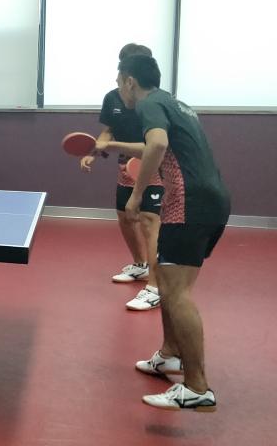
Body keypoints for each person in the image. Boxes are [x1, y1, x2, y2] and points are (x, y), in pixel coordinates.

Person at [117, 53, 229, 412]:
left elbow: (158, 145)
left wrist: (136, 196)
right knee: (167, 281)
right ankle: (169, 355)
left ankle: (197, 387)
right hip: (210, 199)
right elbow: (159, 144)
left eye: (120, 82)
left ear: (130, 81)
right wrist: (112, 146)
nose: (120, 89)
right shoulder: (175, 104)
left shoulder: (148, 104)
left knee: (177, 292)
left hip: (188, 203)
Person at [81, 43, 165, 311]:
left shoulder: (156, 101)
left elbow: (157, 144)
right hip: (124, 168)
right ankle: (141, 265)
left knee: (150, 222)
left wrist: (111, 146)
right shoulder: (112, 98)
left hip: (154, 167)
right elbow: (108, 130)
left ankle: (155, 287)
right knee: (125, 217)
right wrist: (94, 152)